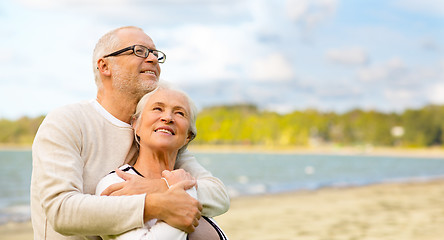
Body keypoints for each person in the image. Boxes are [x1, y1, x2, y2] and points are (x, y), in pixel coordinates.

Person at [31, 26, 229, 240]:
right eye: (139, 51)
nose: (152, 58)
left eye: (155, 53)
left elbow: (218, 195)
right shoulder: (68, 121)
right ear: (104, 66)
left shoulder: (154, 134)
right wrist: (154, 204)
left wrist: (159, 187)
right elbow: (61, 211)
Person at [95, 82, 228, 240]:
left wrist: (171, 187)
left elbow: (221, 199)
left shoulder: (187, 180)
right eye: (157, 108)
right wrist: (183, 192)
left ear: (188, 136)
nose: (167, 118)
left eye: (179, 113)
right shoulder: (117, 183)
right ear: (136, 125)